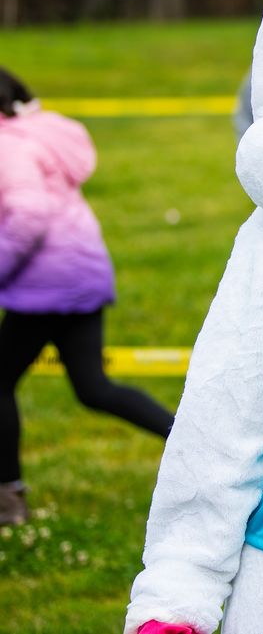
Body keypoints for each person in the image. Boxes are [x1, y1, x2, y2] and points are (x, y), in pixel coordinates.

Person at [0, 68, 174, 526]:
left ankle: (8, 498)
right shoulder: (41, 131)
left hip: (47, 285)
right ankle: (187, 442)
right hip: (82, 272)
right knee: (93, 388)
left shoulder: (10, 145)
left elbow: (28, 213)